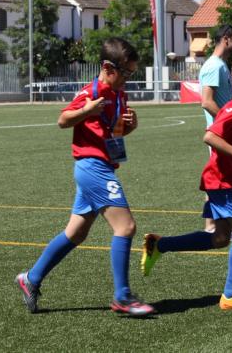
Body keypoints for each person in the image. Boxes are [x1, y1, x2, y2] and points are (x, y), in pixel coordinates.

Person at [15, 37, 154, 317]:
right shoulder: (90, 92)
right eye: (126, 73)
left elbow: (112, 135)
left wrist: (129, 128)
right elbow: (62, 120)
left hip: (102, 166)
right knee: (125, 227)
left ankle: (31, 278)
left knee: (76, 233)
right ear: (107, 68)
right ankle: (123, 297)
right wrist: (86, 110)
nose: (128, 79)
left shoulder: (119, 94)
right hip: (92, 167)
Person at [141, 61, 232, 310]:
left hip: (224, 177)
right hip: (223, 180)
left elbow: (227, 151)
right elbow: (210, 136)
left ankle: (160, 244)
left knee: (221, 237)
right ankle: (231, 295)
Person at [199, 24, 232, 232]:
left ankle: (213, 224)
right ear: (226, 39)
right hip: (220, 133)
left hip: (225, 132)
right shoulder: (214, 66)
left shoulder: (221, 64)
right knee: (222, 179)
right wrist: (228, 120)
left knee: (219, 178)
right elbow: (207, 102)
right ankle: (225, 226)